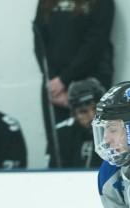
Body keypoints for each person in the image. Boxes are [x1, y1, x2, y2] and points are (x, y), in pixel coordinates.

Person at [33, 0, 114, 135]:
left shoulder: (102, 3)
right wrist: (52, 81)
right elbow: (39, 39)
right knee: (58, 143)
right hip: (54, 88)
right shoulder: (46, 2)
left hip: (91, 83)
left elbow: (95, 43)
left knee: (96, 141)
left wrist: (64, 80)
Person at [47, 77, 105, 169]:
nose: (92, 116)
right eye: (83, 111)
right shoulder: (61, 134)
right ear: (74, 114)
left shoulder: (117, 131)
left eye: (96, 108)